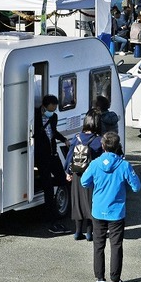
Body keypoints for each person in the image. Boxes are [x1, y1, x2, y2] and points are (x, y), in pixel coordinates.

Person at [80, 132, 141, 282]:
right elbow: (136, 187)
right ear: (118, 146)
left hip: (98, 210)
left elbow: (84, 182)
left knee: (98, 245)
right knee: (116, 245)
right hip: (116, 212)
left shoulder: (95, 163)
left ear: (102, 146)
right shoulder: (124, 165)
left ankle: (100, 278)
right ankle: (115, 280)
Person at [64, 110, 104, 241]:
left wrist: (68, 172)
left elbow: (69, 156)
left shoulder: (77, 138)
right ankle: (89, 233)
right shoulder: (99, 140)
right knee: (90, 203)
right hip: (91, 176)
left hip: (77, 175)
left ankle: (77, 232)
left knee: (77, 203)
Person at [34, 94, 69, 235]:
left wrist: (64, 139)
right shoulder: (35, 115)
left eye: (55, 108)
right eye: (52, 107)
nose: (53, 110)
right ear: (45, 105)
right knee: (49, 190)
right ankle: (51, 221)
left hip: (52, 154)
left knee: (62, 178)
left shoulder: (53, 117)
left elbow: (53, 132)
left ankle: (43, 182)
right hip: (42, 156)